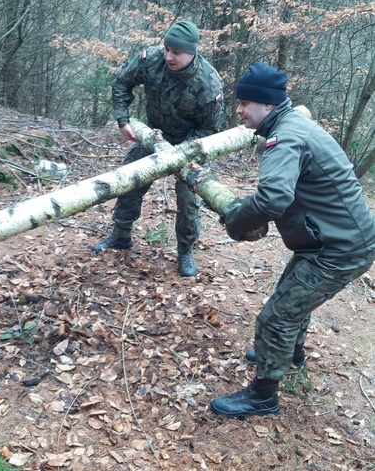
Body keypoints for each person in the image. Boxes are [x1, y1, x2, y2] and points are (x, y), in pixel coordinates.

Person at [210, 62, 375, 418]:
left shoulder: (285, 136)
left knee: (276, 318)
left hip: (340, 248)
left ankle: (263, 396)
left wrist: (236, 220)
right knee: (291, 297)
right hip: (331, 239)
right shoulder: (291, 124)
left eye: (245, 102)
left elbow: (272, 199)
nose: (238, 110)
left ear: (267, 105)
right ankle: (291, 354)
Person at [92, 21, 228, 277]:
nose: (168, 56)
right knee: (129, 180)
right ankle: (121, 235)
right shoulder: (151, 59)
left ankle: (185, 250)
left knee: (188, 199)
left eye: (176, 52)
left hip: (190, 144)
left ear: (192, 52)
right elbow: (122, 82)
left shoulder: (208, 83)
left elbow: (211, 130)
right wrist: (123, 119)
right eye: (166, 49)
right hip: (153, 135)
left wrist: (182, 152)